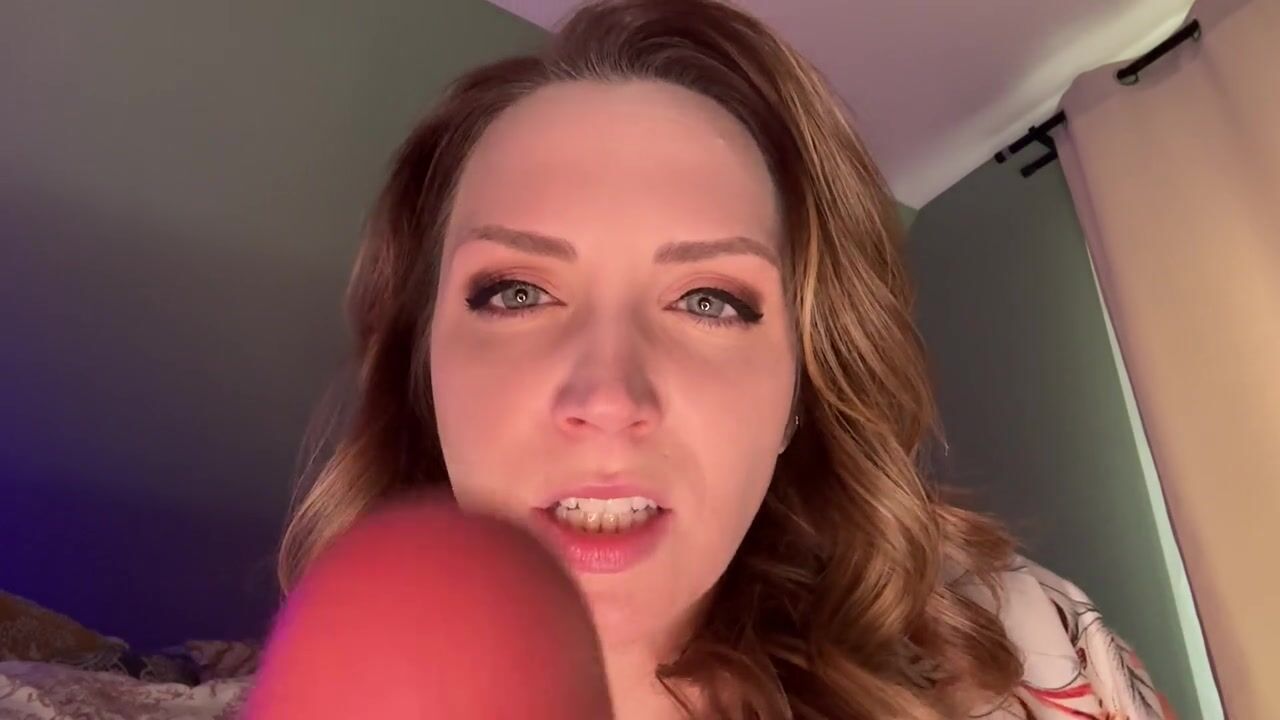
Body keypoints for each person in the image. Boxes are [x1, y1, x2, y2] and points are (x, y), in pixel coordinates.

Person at [249, 0, 1177, 718]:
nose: (607, 395)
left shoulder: (1025, 650)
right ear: (423, 371)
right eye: (517, 292)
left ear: (801, 391)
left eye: (709, 301)